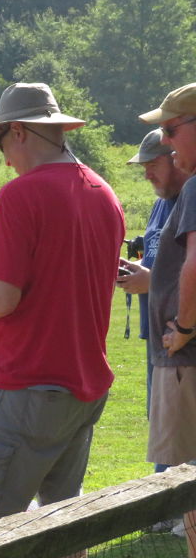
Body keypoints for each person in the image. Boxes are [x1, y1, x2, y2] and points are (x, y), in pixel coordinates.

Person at [0, 82, 125, 531]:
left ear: (18, 131)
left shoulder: (21, 195)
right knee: (61, 524)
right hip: (81, 389)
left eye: (1, 143)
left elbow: (1, 298)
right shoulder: (105, 194)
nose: (3, 159)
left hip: (25, 386)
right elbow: (59, 292)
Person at [139, 84, 196, 554]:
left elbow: (195, 262)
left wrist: (184, 327)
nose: (167, 141)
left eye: (171, 131)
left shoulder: (195, 187)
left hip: (186, 353)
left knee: (185, 469)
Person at [117, 128, 190, 426]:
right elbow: (158, 262)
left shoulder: (191, 199)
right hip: (157, 338)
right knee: (162, 430)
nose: (147, 175)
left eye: (152, 166)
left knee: (181, 443)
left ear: (175, 158)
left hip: (184, 339)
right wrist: (132, 272)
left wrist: (150, 281)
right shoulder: (161, 203)